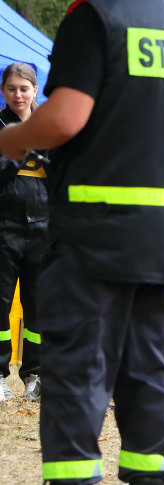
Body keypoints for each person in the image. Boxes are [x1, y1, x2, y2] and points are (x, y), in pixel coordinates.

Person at [0, 1, 164, 482]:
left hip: (96, 236)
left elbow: (63, 119)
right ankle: (153, 473)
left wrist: (15, 139)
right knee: (156, 369)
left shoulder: (95, 18)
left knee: (79, 370)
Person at [0, 62, 47, 401]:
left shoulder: (53, 126)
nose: (18, 94)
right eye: (12, 88)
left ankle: (36, 376)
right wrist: (23, 150)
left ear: (35, 90)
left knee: (40, 306)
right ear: (3, 91)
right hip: (5, 229)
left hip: (45, 230)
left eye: (24, 88)